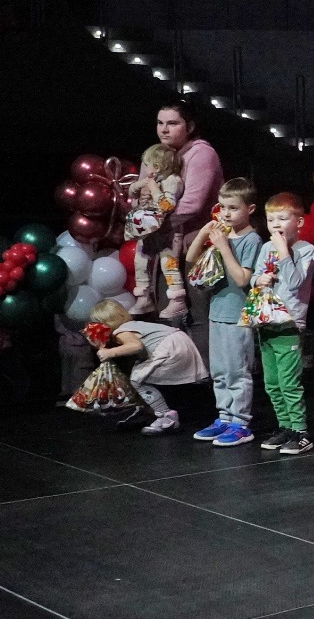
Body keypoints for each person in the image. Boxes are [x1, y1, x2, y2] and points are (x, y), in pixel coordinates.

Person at [186, 177, 262, 448]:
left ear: (250, 209)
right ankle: (225, 416)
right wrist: (204, 233)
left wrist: (223, 247)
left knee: (236, 371)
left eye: (233, 208)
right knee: (219, 371)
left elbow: (242, 279)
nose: (226, 214)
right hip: (217, 312)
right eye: (222, 207)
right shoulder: (224, 234)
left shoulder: (252, 240)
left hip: (237, 315)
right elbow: (190, 259)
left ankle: (240, 423)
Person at [250, 193, 314, 455]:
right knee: (271, 382)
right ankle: (285, 426)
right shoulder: (266, 248)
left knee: (289, 382)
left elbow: (296, 282)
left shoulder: (305, 250)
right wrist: (258, 280)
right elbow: (255, 276)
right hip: (266, 322)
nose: (275, 224)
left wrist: (283, 252)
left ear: (299, 222)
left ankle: (301, 431)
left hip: (289, 324)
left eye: (282, 218)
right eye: (270, 219)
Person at [89, 298, 206, 436]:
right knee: (140, 371)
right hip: (180, 342)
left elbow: (136, 346)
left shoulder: (121, 331)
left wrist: (109, 352)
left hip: (169, 347)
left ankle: (166, 417)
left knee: (137, 379)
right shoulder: (133, 324)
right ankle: (148, 410)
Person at [156, 100, 223, 333]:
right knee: (167, 313)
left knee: (198, 315)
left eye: (172, 123)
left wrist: (153, 221)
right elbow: (141, 195)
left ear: (190, 126)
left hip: (197, 246)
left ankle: (202, 358)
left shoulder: (202, 153)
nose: (164, 129)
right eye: (160, 123)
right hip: (166, 245)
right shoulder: (158, 154)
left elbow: (193, 204)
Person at [125, 143, 185, 319]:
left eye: (147, 165)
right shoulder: (152, 180)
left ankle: (177, 300)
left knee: (169, 265)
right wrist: (140, 187)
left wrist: (153, 189)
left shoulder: (172, 181)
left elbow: (167, 205)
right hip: (149, 230)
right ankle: (144, 297)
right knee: (140, 261)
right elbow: (131, 194)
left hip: (168, 233)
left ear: (157, 167)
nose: (145, 168)